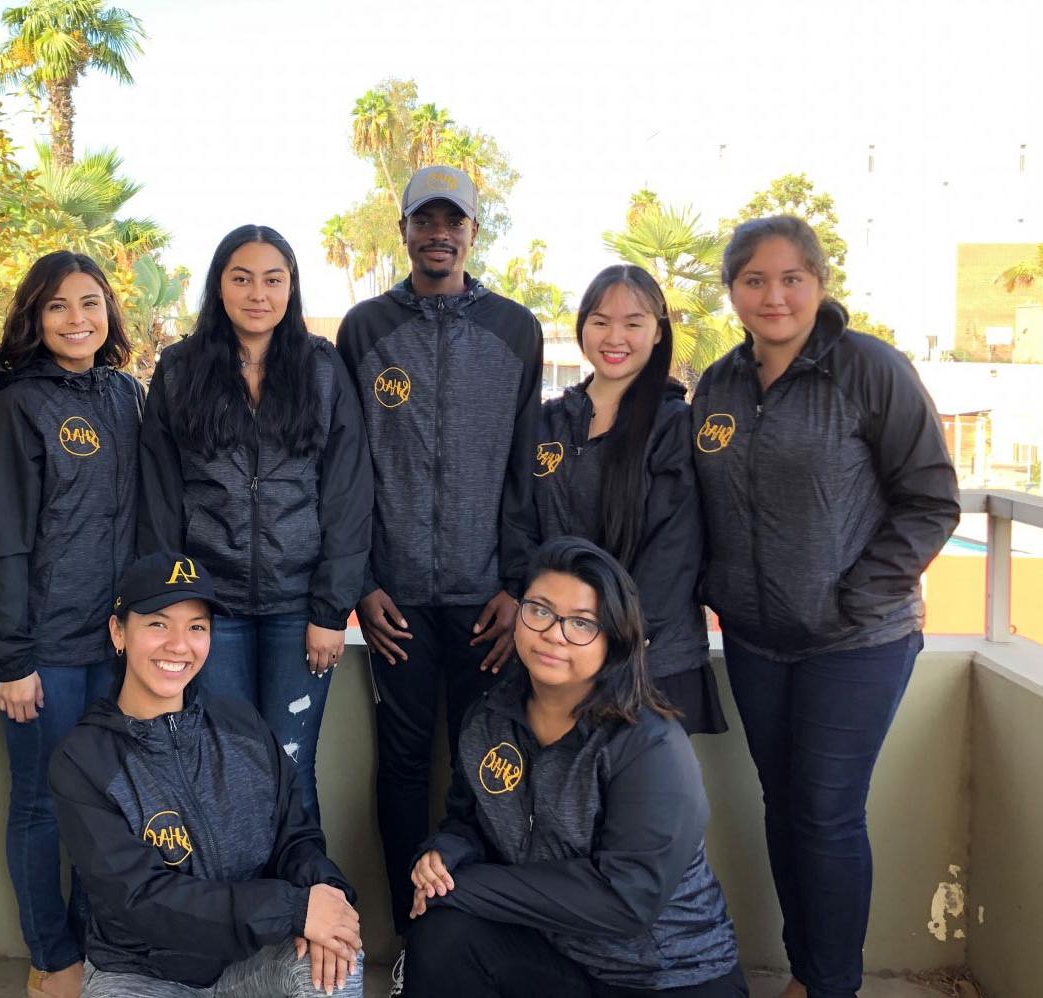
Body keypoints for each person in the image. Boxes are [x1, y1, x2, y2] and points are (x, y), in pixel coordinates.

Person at [692, 216, 960, 998]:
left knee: (827, 813)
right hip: (754, 638)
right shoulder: (720, 385)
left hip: (858, 642)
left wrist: (856, 596)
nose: (773, 296)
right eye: (754, 280)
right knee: (785, 809)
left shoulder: (870, 369)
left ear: (819, 283)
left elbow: (931, 499)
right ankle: (807, 974)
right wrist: (717, 586)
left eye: (791, 279)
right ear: (733, 291)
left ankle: (833, 984)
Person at [334, 164, 543, 987]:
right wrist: (361, 582)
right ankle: (411, 939)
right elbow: (347, 471)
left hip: (486, 602)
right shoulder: (364, 329)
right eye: (425, 219)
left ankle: (473, 928)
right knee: (404, 767)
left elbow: (524, 470)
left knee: (489, 765)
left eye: (454, 221)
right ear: (405, 230)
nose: (439, 234)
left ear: (474, 233)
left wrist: (516, 586)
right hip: (395, 605)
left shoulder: (515, 330)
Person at [402, 536, 747, 997]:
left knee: (454, 900)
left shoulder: (649, 744)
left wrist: (468, 886)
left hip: (671, 975)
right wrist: (444, 855)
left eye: (582, 623)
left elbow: (626, 901)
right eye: (540, 610)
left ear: (615, 641)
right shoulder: (488, 720)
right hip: (559, 961)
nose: (553, 633)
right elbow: (468, 821)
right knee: (441, 931)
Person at [49, 552, 365, 998]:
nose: (179, 645)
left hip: (252, 955)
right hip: (143, 974)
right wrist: (291, 909)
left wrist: (324, 895)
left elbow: (296, 840)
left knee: (336, 958)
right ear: (118, 632)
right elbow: (140, 900)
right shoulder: (83, 761)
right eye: (158, 624)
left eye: (196, 627)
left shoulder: (245, 727)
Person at [137, 224, 372, 820]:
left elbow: (347, 493)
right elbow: (160, 496)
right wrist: (175, 610)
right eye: (241, 278)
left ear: (291, 289)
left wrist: (329, 611)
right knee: (222, 768)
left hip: (300, 611)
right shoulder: (180, 369)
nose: (258, 294)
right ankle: (240, 912)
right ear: (220, 286)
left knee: (292, 770)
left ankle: (303, 905)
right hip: (211, 609)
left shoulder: (323, 368)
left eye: (274, 279)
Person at [0, 250, 144, 998]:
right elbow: (3, 536)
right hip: (44, 649)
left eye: (90, 303)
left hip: (115, 647)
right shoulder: (21, 405)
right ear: (34, 320)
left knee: (110, 804)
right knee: (42, 804)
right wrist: (12, 657)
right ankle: (52, 959)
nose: (78, 320)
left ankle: (99, 945)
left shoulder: (126, 395)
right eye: (58, 307)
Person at [533, 264, 724, 734]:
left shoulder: (675, 424)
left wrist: (605, 635)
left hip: (645, 659)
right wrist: (553, 624)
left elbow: (674, 552)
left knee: (641, 803)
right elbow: (525, 526)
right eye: (600, 321)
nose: (614, 336)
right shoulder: (549, 422)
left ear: (658, 333)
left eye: (633, 323)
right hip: (561, 649)